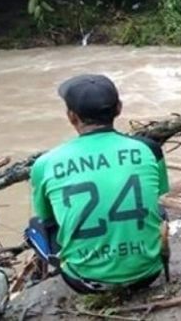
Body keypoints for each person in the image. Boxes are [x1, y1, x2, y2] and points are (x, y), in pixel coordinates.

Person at [25, 75, 170, 294]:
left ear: (71, 117)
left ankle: (54, 272)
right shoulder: (149, 149)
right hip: (148, 274)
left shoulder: (45, 164)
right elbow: (158, 192)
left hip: (84, 281)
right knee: (159, 210)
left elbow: (48, 219)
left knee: (35, 226)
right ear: (119, 108)